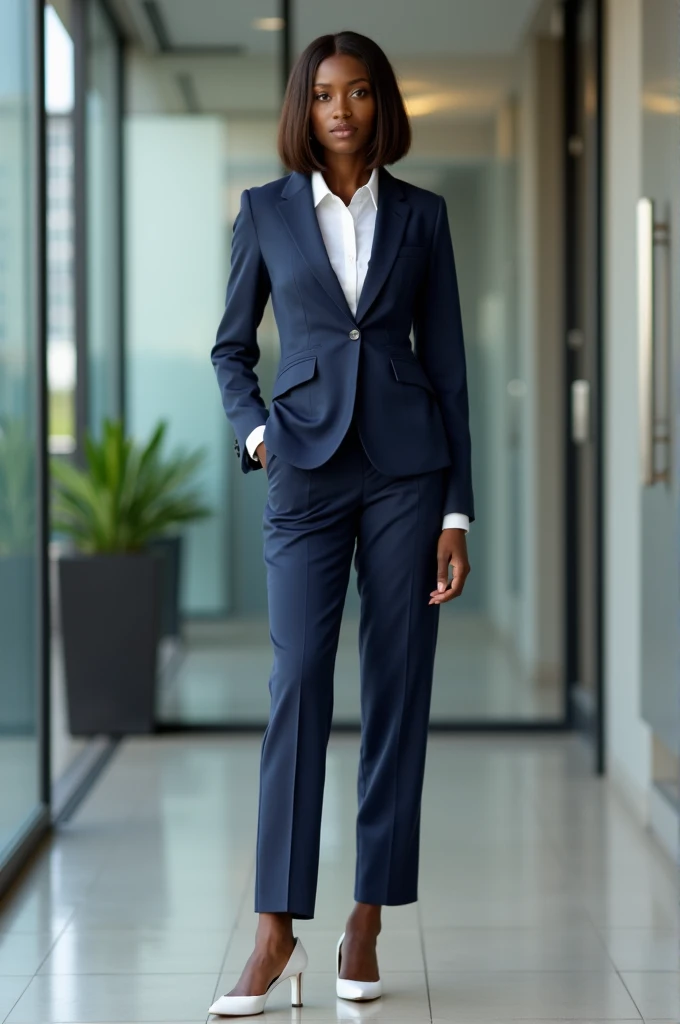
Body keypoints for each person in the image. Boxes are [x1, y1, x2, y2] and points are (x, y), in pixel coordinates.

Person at [208, 29, 474, 1017]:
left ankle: (366, 912)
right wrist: (254, 435)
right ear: (302, 106)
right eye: (323, 92)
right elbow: (231, 349)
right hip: (304, 473)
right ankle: (275, 929)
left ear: (380, 104)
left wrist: (456, 509)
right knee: (297, 685)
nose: (340, 109)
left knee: (398, 689)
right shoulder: (265, 213)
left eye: (358, 92)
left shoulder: (423, 216)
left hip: (408, 471)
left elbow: (447, 368)